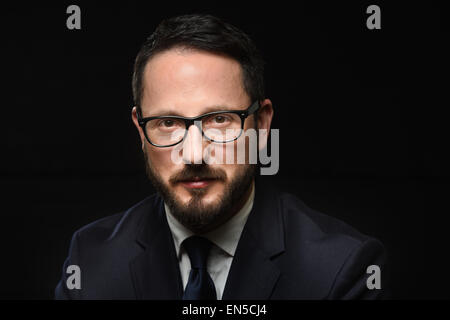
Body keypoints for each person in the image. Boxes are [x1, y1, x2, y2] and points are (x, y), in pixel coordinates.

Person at [55, 13, 387, 300]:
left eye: (219, 119)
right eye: (167, 123)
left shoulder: (340, 269)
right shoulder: (92, 261)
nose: (194, 154)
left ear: (262, 123)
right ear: (141, 132)